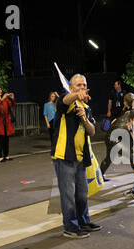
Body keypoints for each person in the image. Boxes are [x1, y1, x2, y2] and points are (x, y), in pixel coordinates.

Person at [51, 74, 101, 239]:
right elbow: (64, 100)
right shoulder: (65, 102)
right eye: (78, 85)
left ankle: (83, 221)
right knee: (68, 194)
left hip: (80, 156)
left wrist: (84, 118)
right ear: (71, 88)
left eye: (84, 85)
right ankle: (71, 227)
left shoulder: (85, 107)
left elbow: (92, 131)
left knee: (81, 194)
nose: (82, 87)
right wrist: (75, 96)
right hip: (65, 156)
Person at [100, 92, 134, 182]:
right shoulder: (132, 113)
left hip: (112, 136)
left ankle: (99, 176)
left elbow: (114, 122)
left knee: (109, 158)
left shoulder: (125, 112)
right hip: (117, 138)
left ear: (125, 102)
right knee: (132, 156)